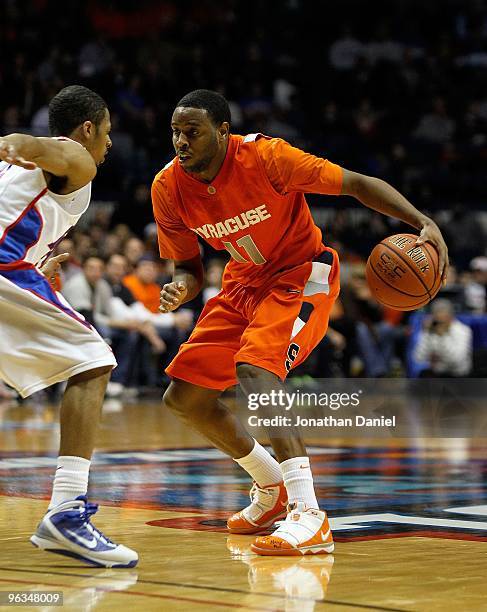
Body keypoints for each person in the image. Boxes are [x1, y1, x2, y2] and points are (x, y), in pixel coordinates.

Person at [151, 89, 448, 556]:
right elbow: (187, 269)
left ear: (223, 132)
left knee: (256, 369)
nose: (181, 141)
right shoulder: (167, 187)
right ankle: (272, 488)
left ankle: (309, 516)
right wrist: (181, 289)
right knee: (185, 399)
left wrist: (421, 221)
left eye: (192, 132)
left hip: (299, 277)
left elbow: (355, 183)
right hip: (242, 283)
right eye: (175, 132)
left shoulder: (268, 157)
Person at [0, 85, 137, 567]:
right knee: (94, 361)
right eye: (107, 132)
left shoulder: (16, 175)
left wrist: (36, 260)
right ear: (87, 129)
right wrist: (19, 140)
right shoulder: (77, 157)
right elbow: (42, 146)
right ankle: (66, 511)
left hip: (16, 266)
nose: (108, 143)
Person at [414, 299, 473, 377]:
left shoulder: (462, 330)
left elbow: (456, 360)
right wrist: (426, 333)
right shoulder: (431, 330)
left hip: (457, 376)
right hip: (437, 374)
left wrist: (442, 337)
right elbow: (418, 357)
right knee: (423, 375)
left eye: (443, 314)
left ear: (450, 316)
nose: (440, 319)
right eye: (436, 315)